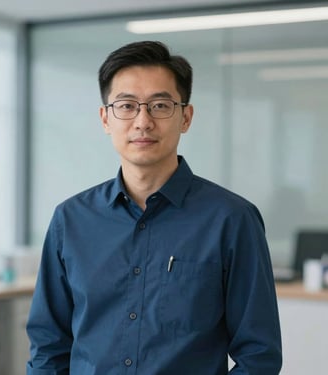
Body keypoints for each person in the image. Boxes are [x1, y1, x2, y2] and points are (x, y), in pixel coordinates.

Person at [26, 40, 282, 375]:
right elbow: (48, 344)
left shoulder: (232, 220)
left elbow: (259, 354)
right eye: (127, 106)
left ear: (185, 117)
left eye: (160, 105)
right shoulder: (70, 219)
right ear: (105, 118)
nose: (143, 121)